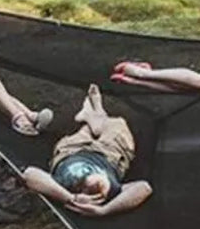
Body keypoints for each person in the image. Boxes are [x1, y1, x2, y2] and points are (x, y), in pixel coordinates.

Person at [21, 84, 152, 217]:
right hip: (110, 155)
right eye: (97, 187)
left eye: (86, 185)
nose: (93, 183)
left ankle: (92, 120)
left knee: (86, 131)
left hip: (71, 150)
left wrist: (69, 198)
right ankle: (97, 115)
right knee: (118, 124)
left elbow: (29, 174)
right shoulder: (113, 189)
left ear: (81, 190)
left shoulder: (66, 183)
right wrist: (104, 210)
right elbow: (144, 187)